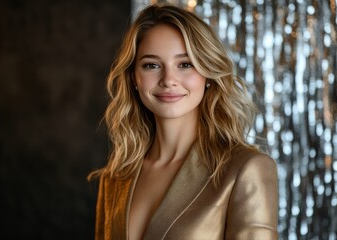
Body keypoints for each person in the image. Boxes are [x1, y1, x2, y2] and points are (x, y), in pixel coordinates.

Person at [89, 3, 279, 240]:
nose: (169, 79)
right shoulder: (115, 177)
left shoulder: (246, 169)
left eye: (185, 64)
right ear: (133, 78)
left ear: (208, 74)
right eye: (152, 65)